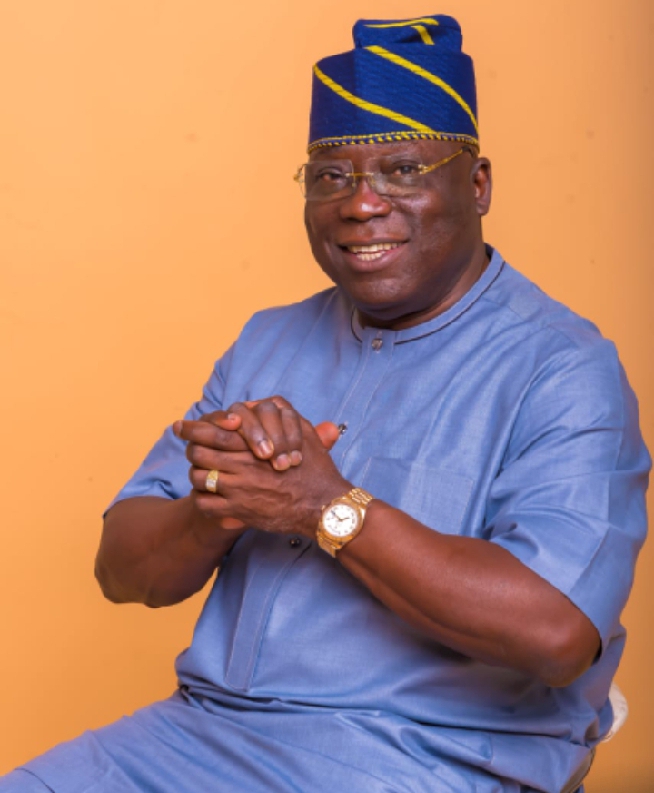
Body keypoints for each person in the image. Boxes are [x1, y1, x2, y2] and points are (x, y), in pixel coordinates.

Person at [1, 13, 649, 793]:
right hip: (203, 734)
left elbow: (557, 632)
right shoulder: (268, 340)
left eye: (402, 170)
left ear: (477, 185)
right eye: (331, 176)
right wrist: (219, 504)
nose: (361, 204)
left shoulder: (562, 367)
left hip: (420, 756)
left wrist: (324, 506)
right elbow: (121, 570)